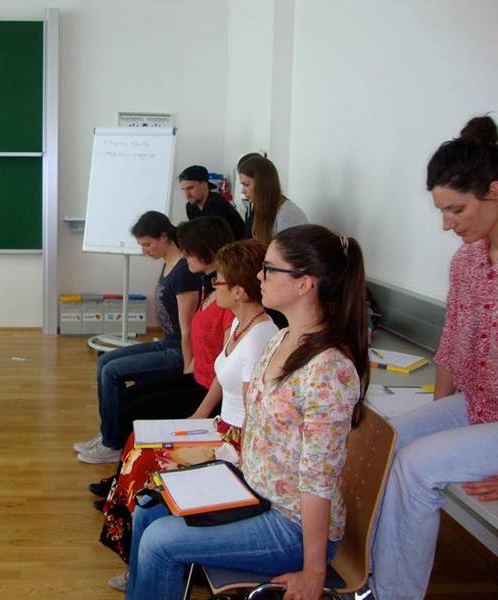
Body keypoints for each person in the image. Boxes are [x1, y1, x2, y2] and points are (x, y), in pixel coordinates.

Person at [125, 224, 370, 600]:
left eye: (269, 269)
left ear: (305, 284)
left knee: (160, 542)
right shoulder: (281, 339)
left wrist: (314, 571)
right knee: (148, 507)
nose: (259, 277)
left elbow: (317, 481)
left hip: (290, 524)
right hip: (253, 487)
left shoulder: (329, 370)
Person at [98, 239, 277, 589]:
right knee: (136, 443)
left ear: (239, 291)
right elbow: (221, 380)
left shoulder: (260, 337)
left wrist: (210, 445)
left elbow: (254, 417)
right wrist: (197, 417)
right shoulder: (239, 324)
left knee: (146, 466)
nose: (213, 285)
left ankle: (147, 562)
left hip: (236, 442)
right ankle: (139, 560)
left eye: (218, 280)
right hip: (219, 427)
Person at [370, 116, 498, 600]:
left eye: (456, 209)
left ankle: (395, 594)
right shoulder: (467, 261)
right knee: (387, 442)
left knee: (418, 465)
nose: (447, 224)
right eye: (441, 211)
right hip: (479, 405)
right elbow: (452, 344)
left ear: (495, 191)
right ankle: (371, 573)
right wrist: (438, 419)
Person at [74, 211, 201, 464]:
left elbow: (188, 329)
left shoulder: (184, 272)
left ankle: (112, 443)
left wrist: (189, 368)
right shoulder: (168, 263)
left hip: (178, 352)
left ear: (164, 236)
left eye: (147, 244)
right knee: (104, 361)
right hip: (167, 343)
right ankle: (109, 433)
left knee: (112, 372)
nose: (144, 251)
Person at [238, 156, 307, 244]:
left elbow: (293, 251)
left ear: (262, 184)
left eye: (246, 185)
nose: (242, 191)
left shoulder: (288, 214)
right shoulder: (259, 207)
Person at [178, 164, 247, 240]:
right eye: (183, 190)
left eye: (190, 188)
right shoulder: (190, 207)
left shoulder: (216, 204)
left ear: (204, 185)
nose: (186, 195)